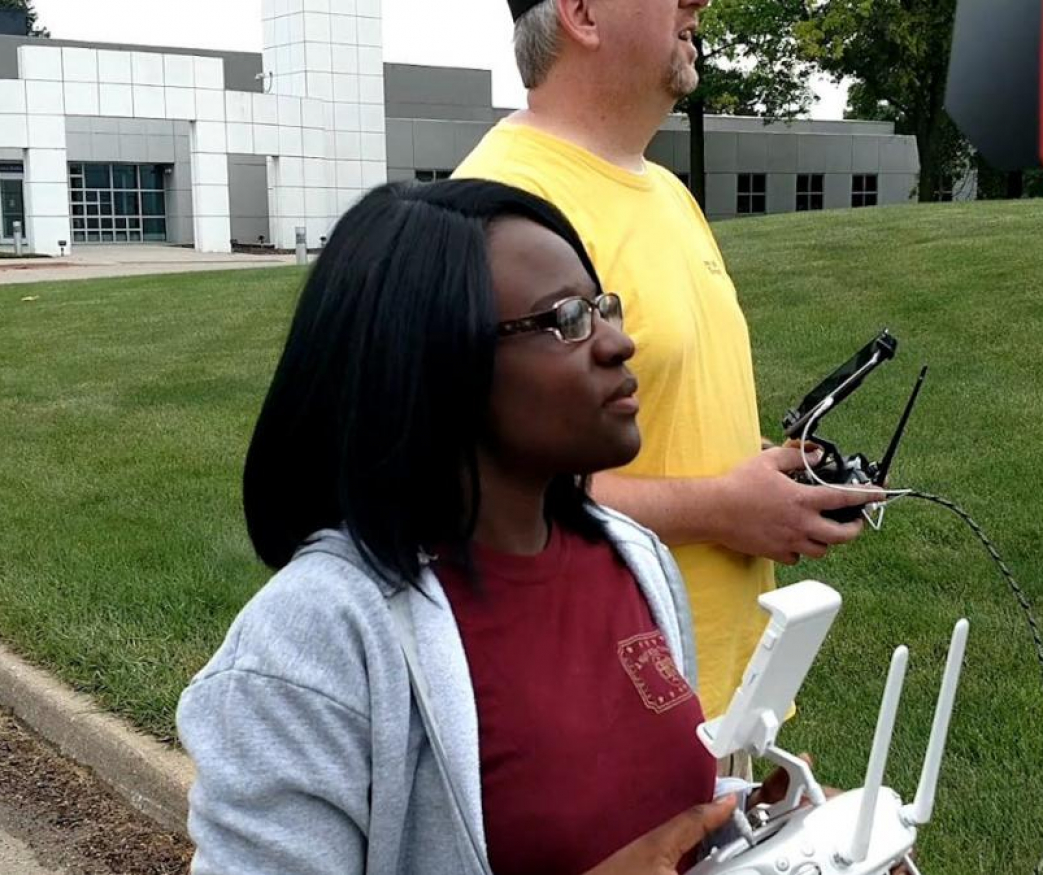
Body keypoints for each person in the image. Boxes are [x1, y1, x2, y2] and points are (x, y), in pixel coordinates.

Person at [178, 178, 777, 875]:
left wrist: (761, 832)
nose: (619, 342)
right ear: (433, 359)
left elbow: (649, 813)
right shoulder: (311, 641)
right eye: (567, 318)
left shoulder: (632, 557)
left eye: (603, 306)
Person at [455, 0, 884, 726]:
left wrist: (775, 480)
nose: (699, 3)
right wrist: (724, 507)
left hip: (728, 705)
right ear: (583, 13)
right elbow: (475, 492)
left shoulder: (667, 193)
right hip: (604, 724)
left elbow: (663, 415)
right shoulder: (501, 209)